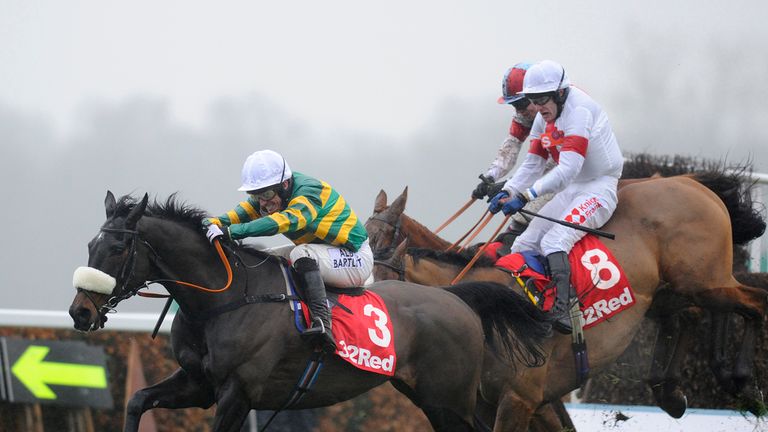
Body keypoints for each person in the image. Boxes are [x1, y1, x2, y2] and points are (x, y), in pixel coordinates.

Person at [488, 60, 623, 333]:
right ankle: (532, 304)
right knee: (522, 243)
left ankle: (565, 307)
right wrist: (508, 189)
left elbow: (568, 169)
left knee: (554, 241)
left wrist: (525, 196)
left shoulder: (579, 111)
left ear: (560, 93)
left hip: (600, 188)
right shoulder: (543, 117)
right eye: (533, 101)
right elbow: (533, 164)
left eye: (541, 100)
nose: (537, 108)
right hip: (574, 188)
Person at [204, 149, 373, 353]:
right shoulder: (267, 195)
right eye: (256, 195)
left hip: (355, 257)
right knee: (264, 258)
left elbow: (285, 221)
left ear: (284, 185)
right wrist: (207, 223)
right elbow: (234, 216)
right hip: (323, 251)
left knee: (301, 254)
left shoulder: (309, 191)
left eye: (267, 194)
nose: (263, 202)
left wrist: (231, 232)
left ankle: (322, 323)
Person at [472, 63, 554, 257]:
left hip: (578, 171)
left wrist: (510, 185)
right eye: (514, 105)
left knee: (527, 207)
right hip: (556, 170)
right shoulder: (526, 116)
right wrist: (490, 177)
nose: (519, 111)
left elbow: (554, 164)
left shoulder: (557, 114)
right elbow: (510, 147)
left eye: (521, 104)